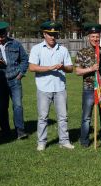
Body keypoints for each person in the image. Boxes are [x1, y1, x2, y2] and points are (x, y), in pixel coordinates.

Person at [28, 21, 74, 151]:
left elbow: (70, 68)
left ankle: (64, 141)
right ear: (44, 34)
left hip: (60, 88)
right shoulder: (37, 49)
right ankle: (41, 142)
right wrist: (50, 67)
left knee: (63, 117)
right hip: (43, 88)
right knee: (43, 117)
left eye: (55, 34)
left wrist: (63, 67)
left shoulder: (63, 49)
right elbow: (32, 67)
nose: (53, 37)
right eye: (50, 34)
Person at [0, 21, 29, 140]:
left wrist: (21, 72)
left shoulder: (16, 44)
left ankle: (20, 131)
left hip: (15, 79)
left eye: (2, 36)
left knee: (18, 106)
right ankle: (5, 131)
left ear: (6, 33)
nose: (0, 38)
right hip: (0, 81)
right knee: (2, 106)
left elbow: (24, 59)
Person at [75, 23, 101, 148]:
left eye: (97, 36)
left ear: (100, 37)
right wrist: (90, 69)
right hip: (89, 88)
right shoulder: (82, 52)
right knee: (86, 117)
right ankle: (85, 141)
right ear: (88, 37)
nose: (95, 39)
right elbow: (78, 71)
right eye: (93, 37)